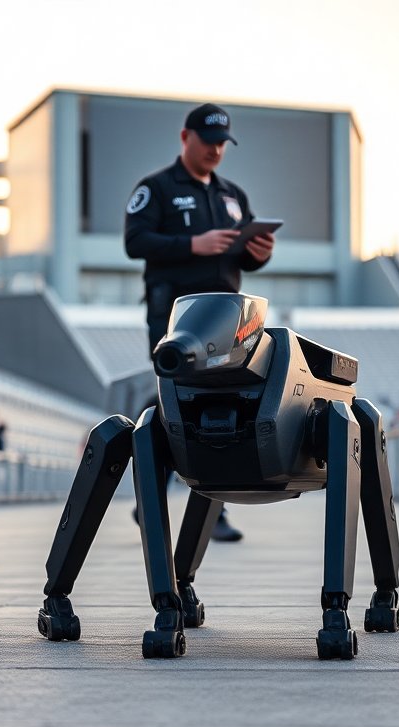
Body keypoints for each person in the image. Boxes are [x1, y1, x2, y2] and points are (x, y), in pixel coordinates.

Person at [124, 103, 275, 543]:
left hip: (226, 316)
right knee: (175, 401)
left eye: (222, 144)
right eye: (208, 142)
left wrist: (259, 254)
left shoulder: (232, 195)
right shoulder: (157, 188)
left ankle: (213, 509)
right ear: (185, 137)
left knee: (223, 405)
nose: (215, 151)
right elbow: (135, 241)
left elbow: (244, 253)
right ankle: (151, 497)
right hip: (177, 318)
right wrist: (193, 244)